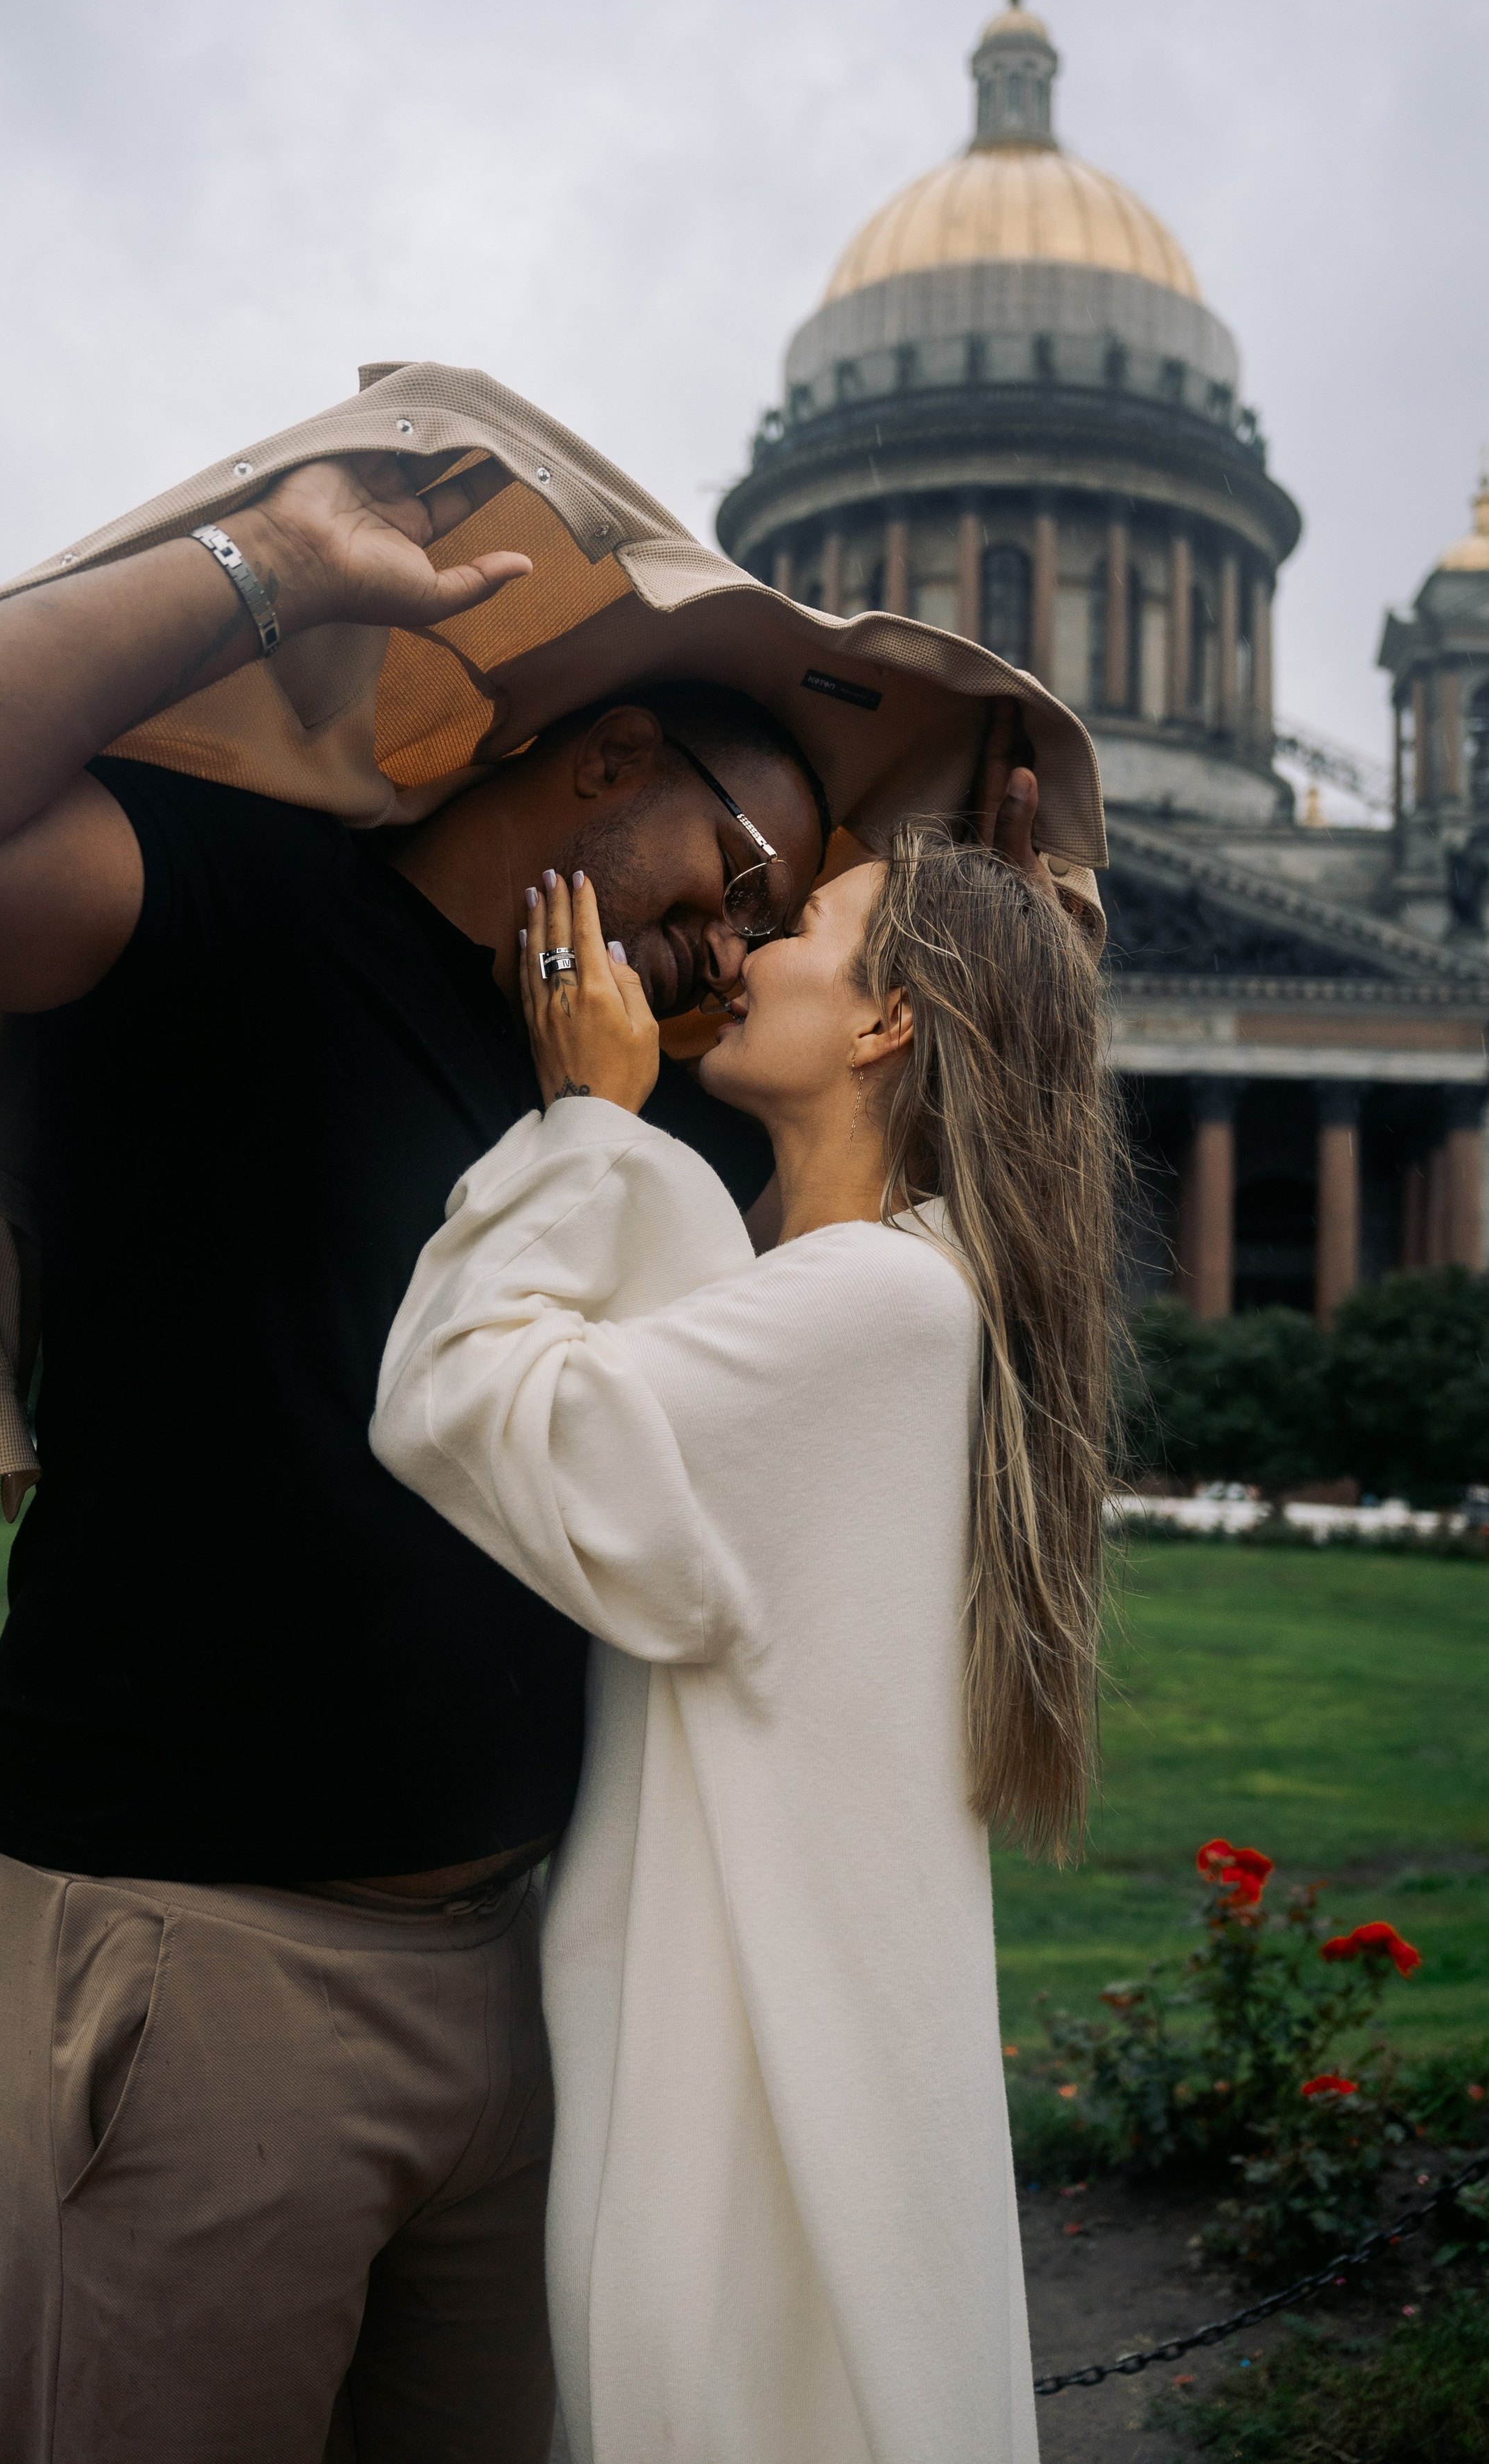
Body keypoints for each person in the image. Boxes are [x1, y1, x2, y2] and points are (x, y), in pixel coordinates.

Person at [0, 449, 1058, 2464]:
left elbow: (886, 1187)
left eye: (788, 921)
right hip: (207, 1937)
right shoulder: (231, 912)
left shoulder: (638, 1097)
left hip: (515, 1971)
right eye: (740, 880)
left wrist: (1003, 924)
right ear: (609, 757)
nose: (738, 945)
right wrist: (262, 564)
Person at [373, 832, 1118, 2464]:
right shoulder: (886, 1289)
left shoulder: (875, 1308)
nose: (742, 950)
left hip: (747, 2080)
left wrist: (583, 1122)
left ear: (883, 1024)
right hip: (783, 2035)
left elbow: (463, 1399)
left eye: (800, 928)